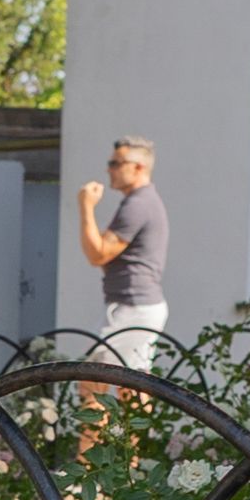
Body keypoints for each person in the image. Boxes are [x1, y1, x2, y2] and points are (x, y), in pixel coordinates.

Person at [78, 135, 171, 370]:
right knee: (128, 388)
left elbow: (98, 254)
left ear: (138, 167)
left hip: (133, 306)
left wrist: (86, 206)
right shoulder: (140, 201)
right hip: (133, 304)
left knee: (93, 382)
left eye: (115, 164)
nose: (109, 170)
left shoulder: (138, 205)